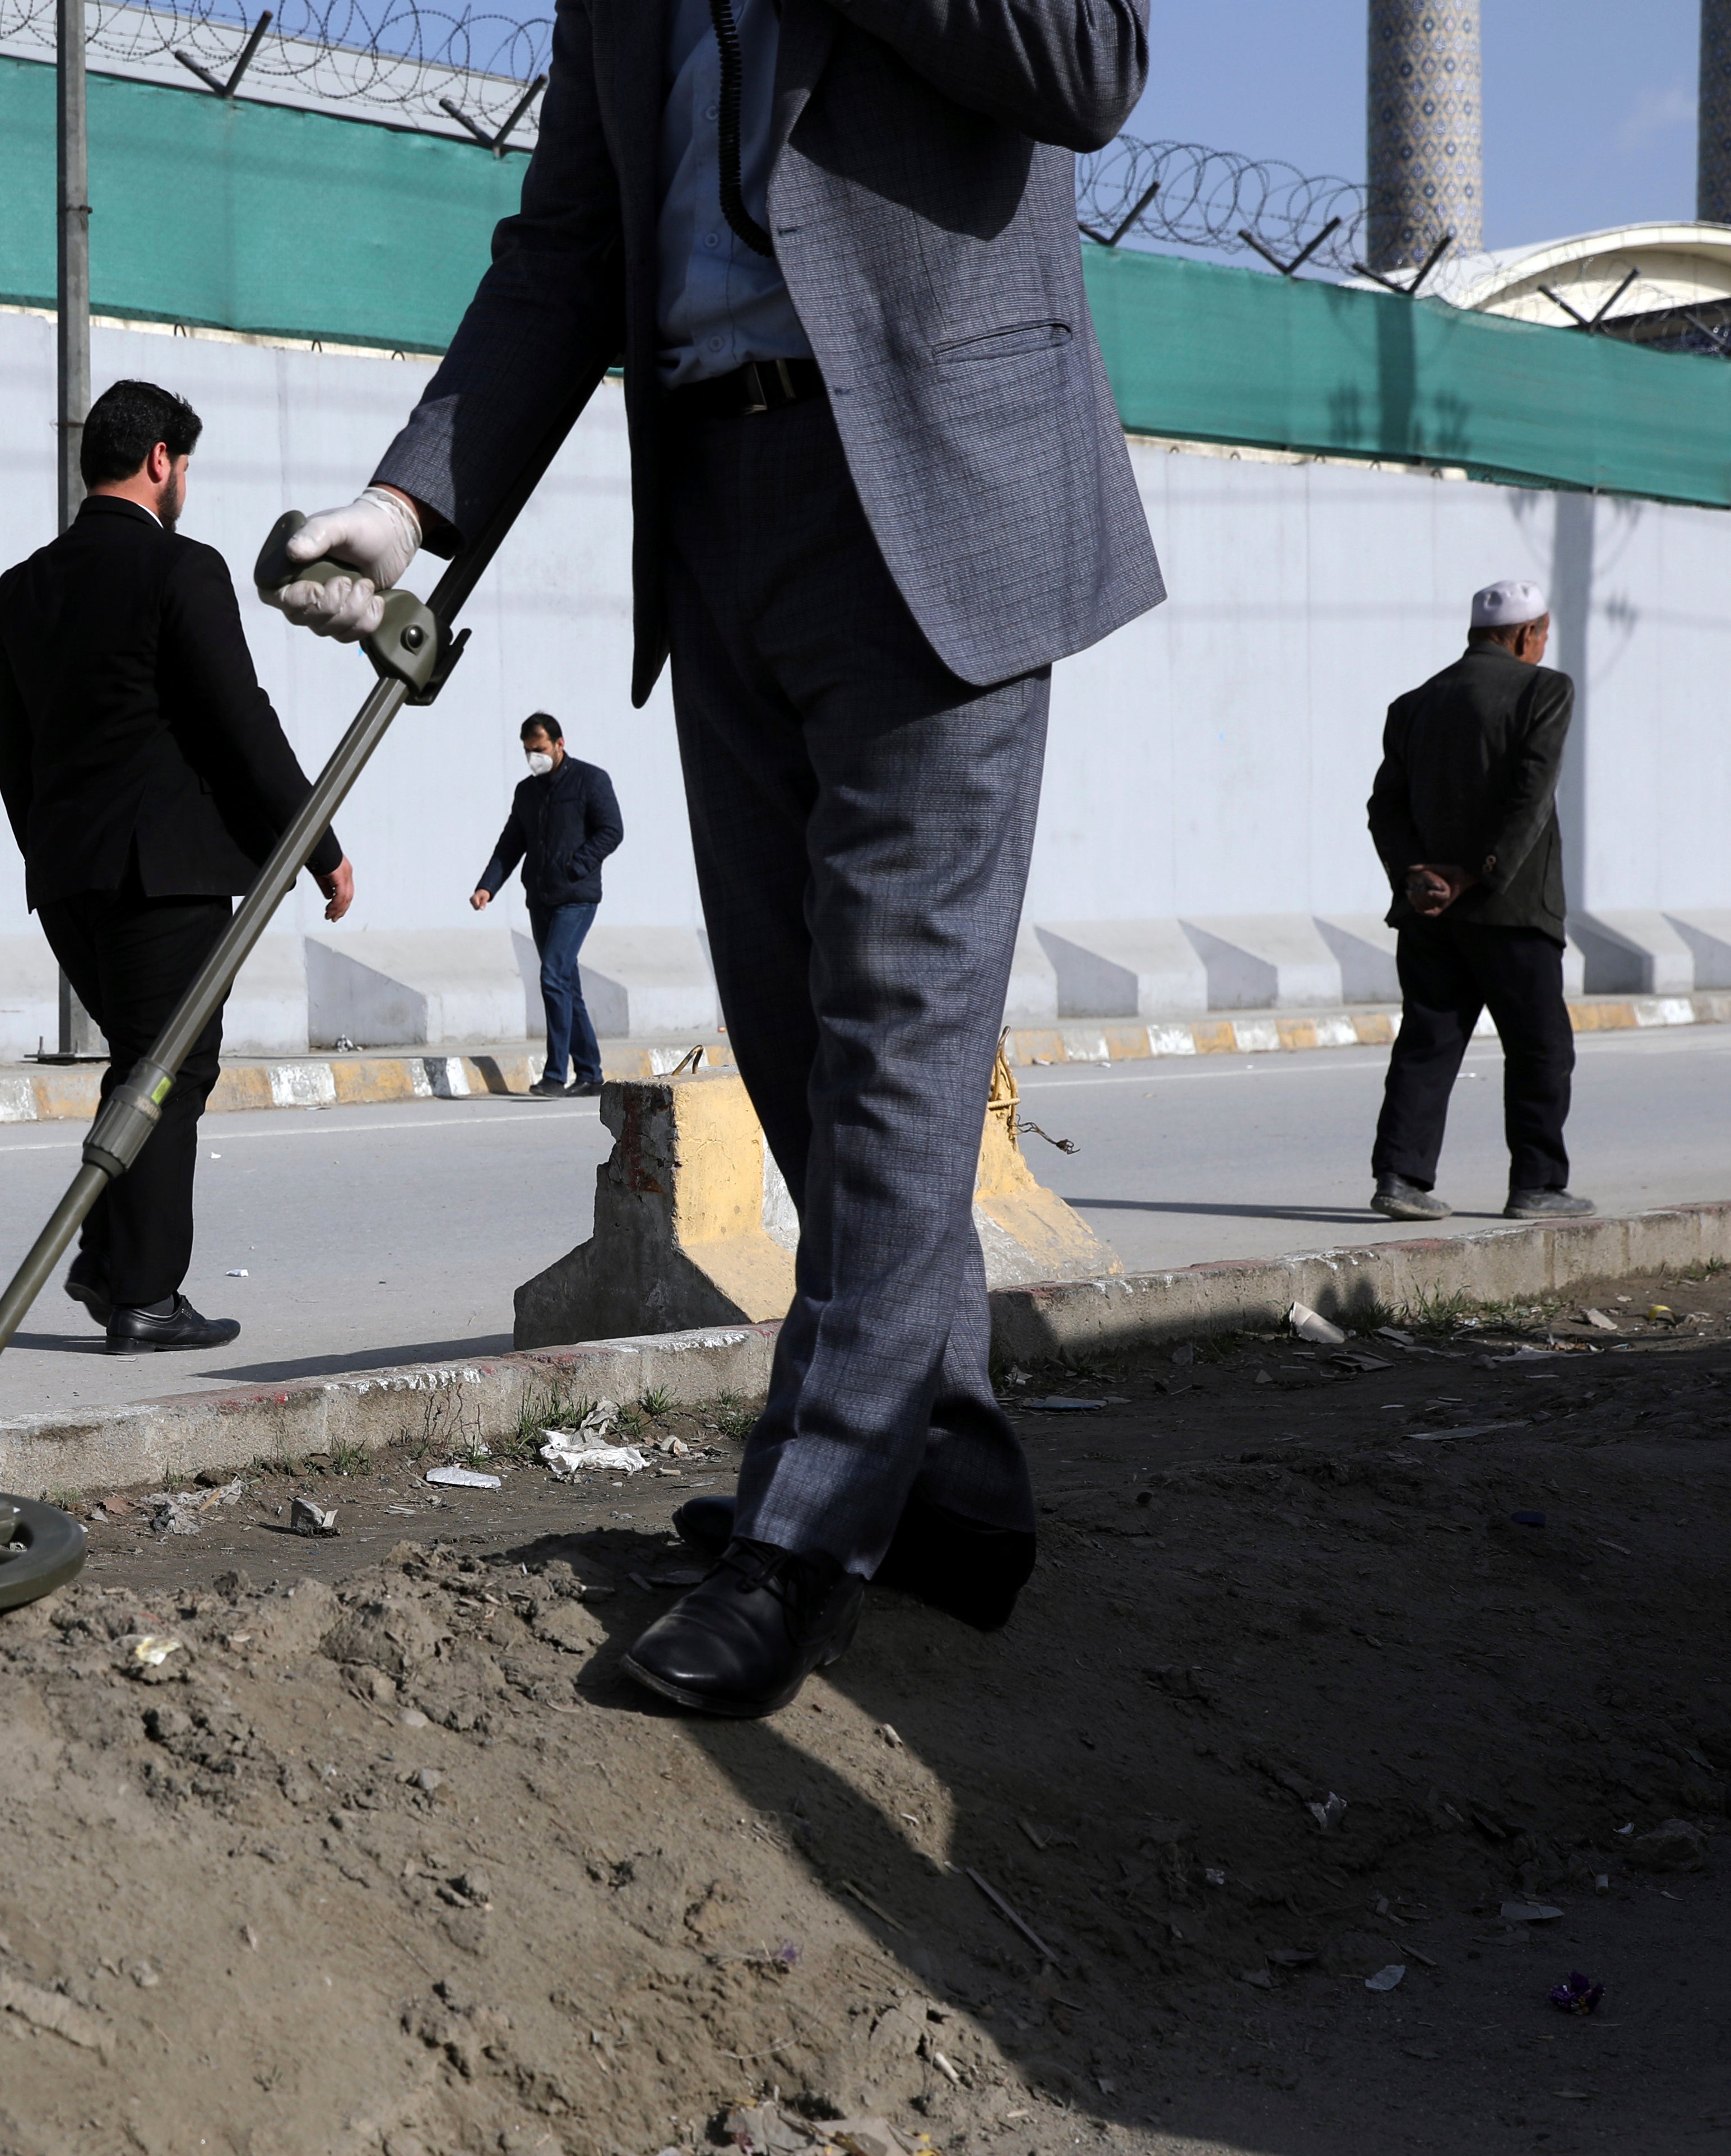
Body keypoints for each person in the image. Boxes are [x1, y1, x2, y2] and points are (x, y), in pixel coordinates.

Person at [259, 0, 1162, 1717]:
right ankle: (947, 1476)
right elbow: (565, 251)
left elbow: (1088, 68)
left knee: (896, 1033)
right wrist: (404, 511)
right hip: (717, 494)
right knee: (797, 1038)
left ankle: (805, 1531)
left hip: (934, 488)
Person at [0, 380, 355, 1356]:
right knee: (170, 1072)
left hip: (69, 880)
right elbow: (240, 723)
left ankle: (110, 1261)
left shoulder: (23, 587)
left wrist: (51, 855)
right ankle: (141, 1293)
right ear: (160, 460)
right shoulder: (181, 569)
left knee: (145, 1067)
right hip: (166, 876)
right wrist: (317, 842)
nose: (184, 481)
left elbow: (12, 753)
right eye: (184, 464)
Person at [1365, 578, 1591, 1224]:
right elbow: (1530, 796)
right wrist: (1477, 875)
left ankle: (1401, 1177)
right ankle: (1538, 1184)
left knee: (1428, 1042)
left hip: (1430, 912)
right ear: (1527, 635)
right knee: (1541, 1046)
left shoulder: (1413, 704)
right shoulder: (1545, 690)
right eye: (1542, 633)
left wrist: (1416, 875)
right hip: (1513, 908)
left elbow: (1386, 806)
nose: (1543, 645)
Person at [471, 712, 625, 1096]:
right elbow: (511, 843)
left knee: (553, 975)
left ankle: (555, 1074)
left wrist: (578, 864)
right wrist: (487, 886)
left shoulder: (591, 780)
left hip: (576, 896)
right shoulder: (528, 791)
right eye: (527, 752)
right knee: (565, 984)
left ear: (559, 743)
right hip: (539, 898)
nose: (534, 758)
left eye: (539, 749)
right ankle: (590, 1073)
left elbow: (612, 830)